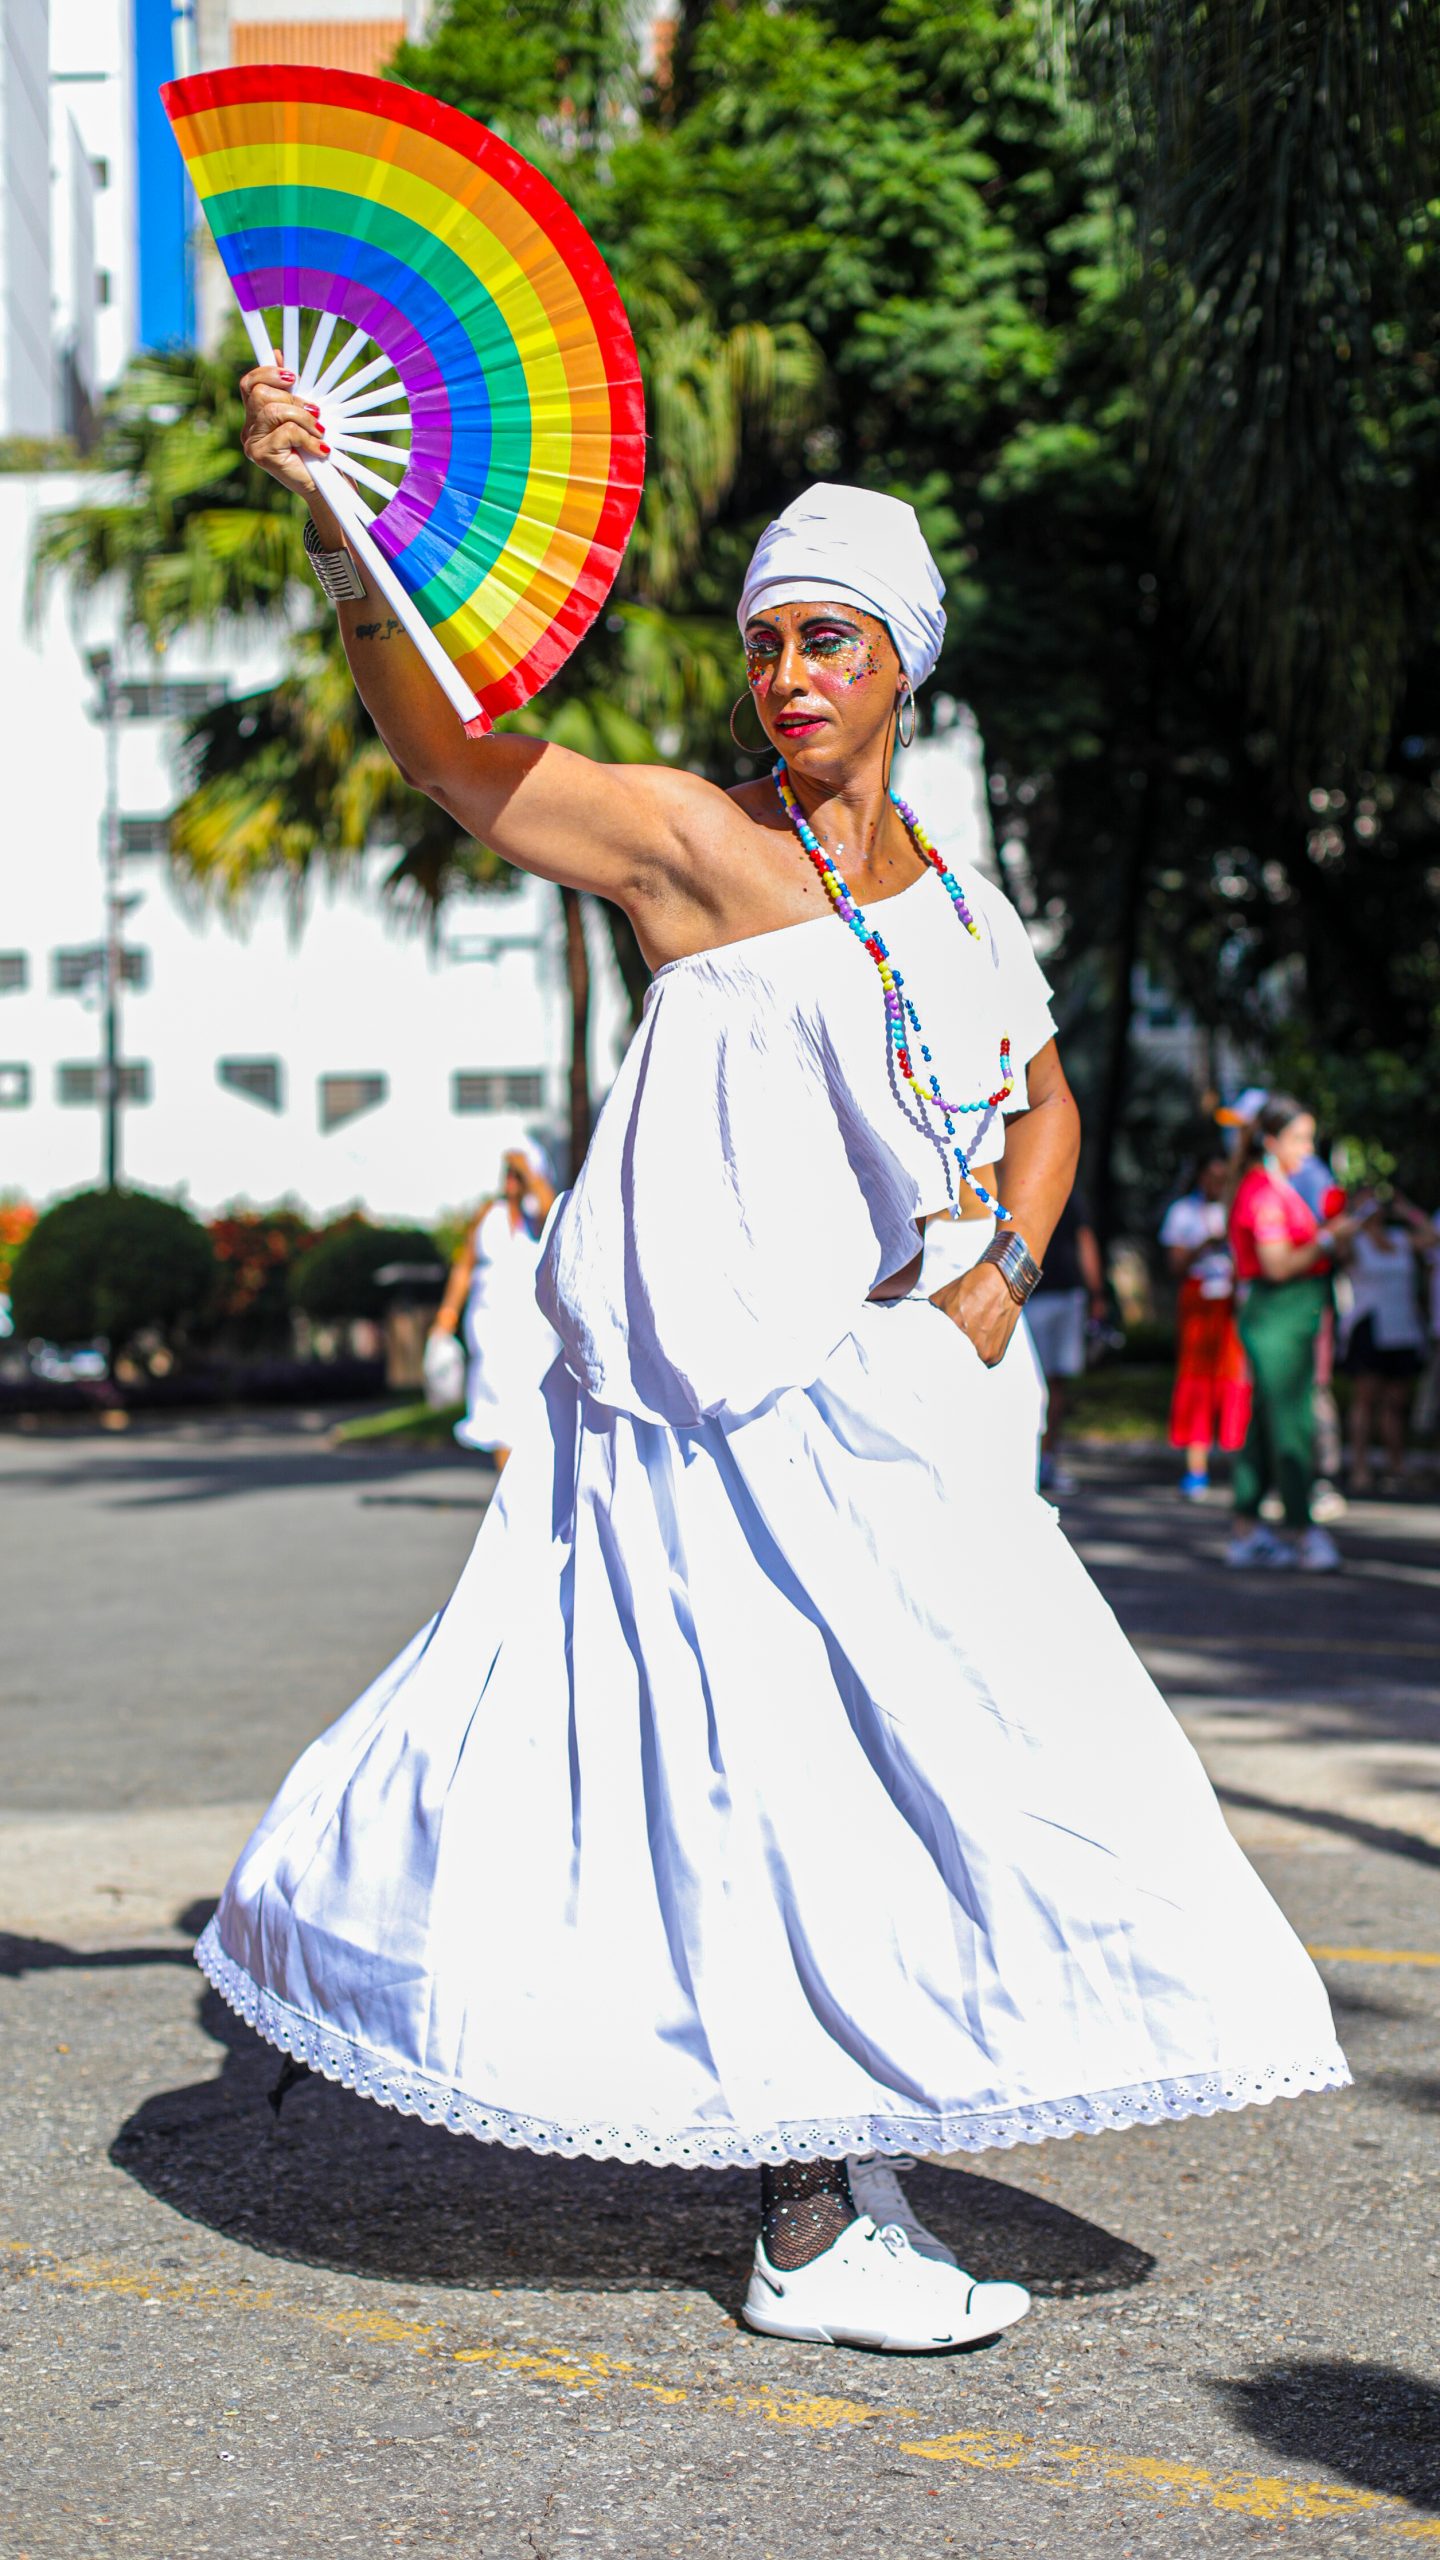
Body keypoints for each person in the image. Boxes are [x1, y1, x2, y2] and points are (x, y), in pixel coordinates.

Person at [206, 378, 1346, 2355]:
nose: (789, 673)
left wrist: (999, 1274)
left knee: (970, 1782)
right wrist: (336, 532)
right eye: (766, 640)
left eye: (828, 636)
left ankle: (849, 2170)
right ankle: (807, 2226)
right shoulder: (695, 844)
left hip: (909, 1432)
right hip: (716, 1431)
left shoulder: (966, 907)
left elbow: (1050, 1104)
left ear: (901, 659)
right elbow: (459, 761)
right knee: (764, 1792)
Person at [1225, 1096, 1362, 1572]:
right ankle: (1303, 1530)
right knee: (1291, 1423)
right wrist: (1328, 1238)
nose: (1307, 1148)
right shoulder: (1263, 1192)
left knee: (1268, 1421)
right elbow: (1277, 1265)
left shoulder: (1276, 1187)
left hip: (1291, 1318)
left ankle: (1247, 1530)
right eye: (1299, 1138)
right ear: (1271, 1141)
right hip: (1276, 1318)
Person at [431, 1141, 559, 1466]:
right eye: (509, 1173)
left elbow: (550, 1211)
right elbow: (464, 1265)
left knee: (534, 1409)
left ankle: (529, 1481)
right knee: (500, 1410)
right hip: (490, 1328)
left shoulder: (539, 1215)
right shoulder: (489, 1214)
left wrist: (527, 1170)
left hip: (533, 1334)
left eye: (518, 1174)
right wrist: (447, 1314)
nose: (511, 1179)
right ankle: (507, 1480)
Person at [1159, 1152, 1251, 1499]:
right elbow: (1174, 1264)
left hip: (1231, 1301)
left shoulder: (1239, 1208)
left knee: (1235, 1379)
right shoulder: (1183, 1212)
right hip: (1199, 1300)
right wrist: (1205, 1245)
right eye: (1212, 1177)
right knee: (1196, 1379)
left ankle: (1241, 1469)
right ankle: (1195, 1469)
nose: (1217, 1184)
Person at [1338, 1195, 1431, 1495]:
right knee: (1365, 1400)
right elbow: (1337, 1245)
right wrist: (1356, 1218)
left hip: (1402, 1327)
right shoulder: (1355, 1242)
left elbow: (1433, 1237)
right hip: (1369, 1326)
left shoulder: (1400, 1239)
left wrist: (1407, 1210)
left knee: (1396, 1402)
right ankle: (1360, 1467)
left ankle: (1396, 1465)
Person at [1026, 1188, 1105, 1495]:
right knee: (1028, 1381)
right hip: (1028, 1294)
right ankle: (1027, 1459)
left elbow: (1085, 1240)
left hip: (1066, 1294)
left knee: (1056, 1384)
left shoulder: (1071, 1193)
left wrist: (1096, 1293)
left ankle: (1047, 1459)